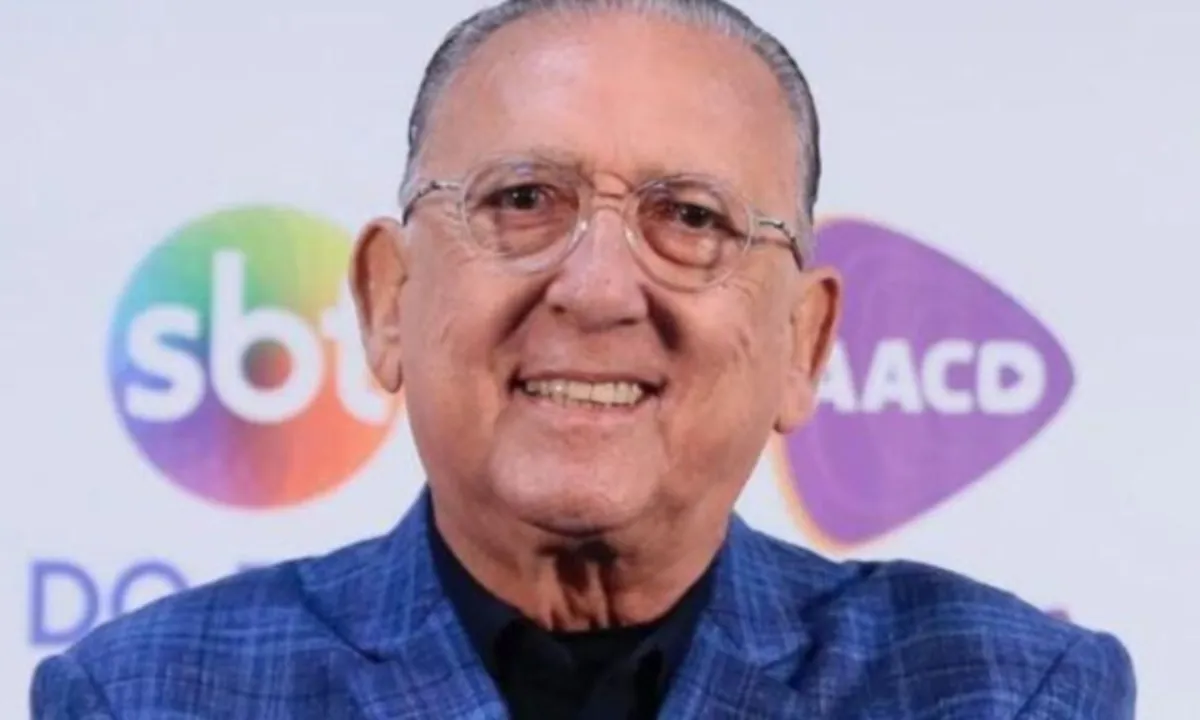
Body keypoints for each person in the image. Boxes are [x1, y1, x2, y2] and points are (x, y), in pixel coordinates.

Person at [32, 0, 1136, 717]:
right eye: (523, 200)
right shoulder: (149, 695)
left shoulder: (1005, 691)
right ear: (387, 299)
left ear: (803, 341)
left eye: (691, 218)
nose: (599, 287)